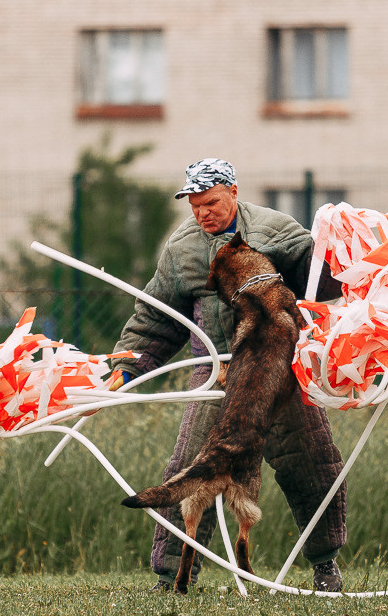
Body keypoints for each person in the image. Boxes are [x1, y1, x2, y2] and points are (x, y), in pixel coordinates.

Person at [107, 158, 348, 592]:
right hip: (213, 374)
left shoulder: (276, 231)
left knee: (312, 461)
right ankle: (170, 577)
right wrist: (129, 367)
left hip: (279, 370)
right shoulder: (181, 250)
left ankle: (325, 566)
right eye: (195, 206)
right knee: (187, 469)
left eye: (212, 202)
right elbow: (155, 319)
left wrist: (347, 255)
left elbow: (321, 280)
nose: (204, 214)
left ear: (233, 191)